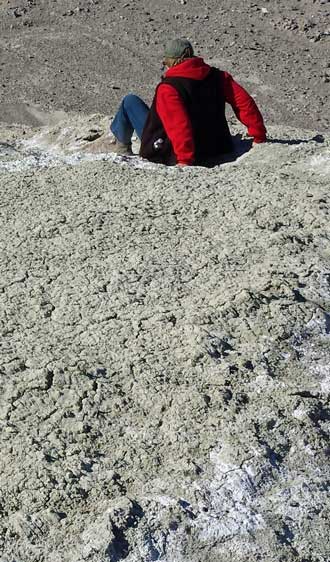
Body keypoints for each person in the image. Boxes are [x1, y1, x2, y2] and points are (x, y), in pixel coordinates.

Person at [108, 38, 267, 166]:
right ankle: (118, 140)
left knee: (130, 102)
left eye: (166, 61)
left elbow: (179, 125)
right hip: (217, 146)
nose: (165, 65)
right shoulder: (218, 77)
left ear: (174, 61)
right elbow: (245, 103)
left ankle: (122, 146)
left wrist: (185, 159)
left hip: (176, 150)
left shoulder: (169, 88)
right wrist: (258, 135)